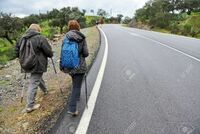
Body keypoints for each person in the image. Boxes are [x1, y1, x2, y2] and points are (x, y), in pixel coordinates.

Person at [16, 24, 53, 113]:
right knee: (34, 82)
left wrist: (25, 59)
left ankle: (45, 90)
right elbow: (48, 52)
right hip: (37, 63)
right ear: (37, 30)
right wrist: (51, 53)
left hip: (25, 63)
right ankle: (30, 106)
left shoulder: (21, 38)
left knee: (37, 78)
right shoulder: (40, 38)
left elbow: (16, 52)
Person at [60, 20, 89, 116]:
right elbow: (86, 53)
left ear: (69, 27)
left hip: (68, 66)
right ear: (78, 27)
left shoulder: (65, 38)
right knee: (76, 86)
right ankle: (72, 108)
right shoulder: (81, 37)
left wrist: (62, 65)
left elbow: (62, 53)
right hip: (79, 65)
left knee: (75, 82)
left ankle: (77, 97)